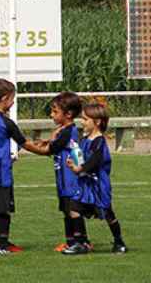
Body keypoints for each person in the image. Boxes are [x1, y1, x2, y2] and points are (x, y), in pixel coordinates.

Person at [0, 79, 51, 255]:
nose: (13, 102)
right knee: (3, 210)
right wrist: (46, 152)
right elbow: (25, 144)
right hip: (0, 171)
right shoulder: (6, 123)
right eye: (12, 98)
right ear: (4, 98)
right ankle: (3, 245)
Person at [67, 102, 128, 254]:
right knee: (74, 208)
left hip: (98, 185)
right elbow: (81, 157)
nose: (82, 121)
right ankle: (81, 243)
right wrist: (73, 161)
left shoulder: (99, 141)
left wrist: (79, 169)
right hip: (85, 184)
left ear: (97, 122)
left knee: (107, 213)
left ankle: (119, 241)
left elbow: (95, 161)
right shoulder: (85, 139)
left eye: (86, 119)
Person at [44, 92, 90, 254]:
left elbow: (52, 148)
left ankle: (80, 242)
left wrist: (28, 145)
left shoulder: (68, 131)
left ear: (68, 114)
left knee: (73, 210)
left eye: (55, 112)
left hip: (70, 179)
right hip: (63, 179)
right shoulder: (64, 130)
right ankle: (72, 241)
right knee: (66, 210)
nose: (52, 115)